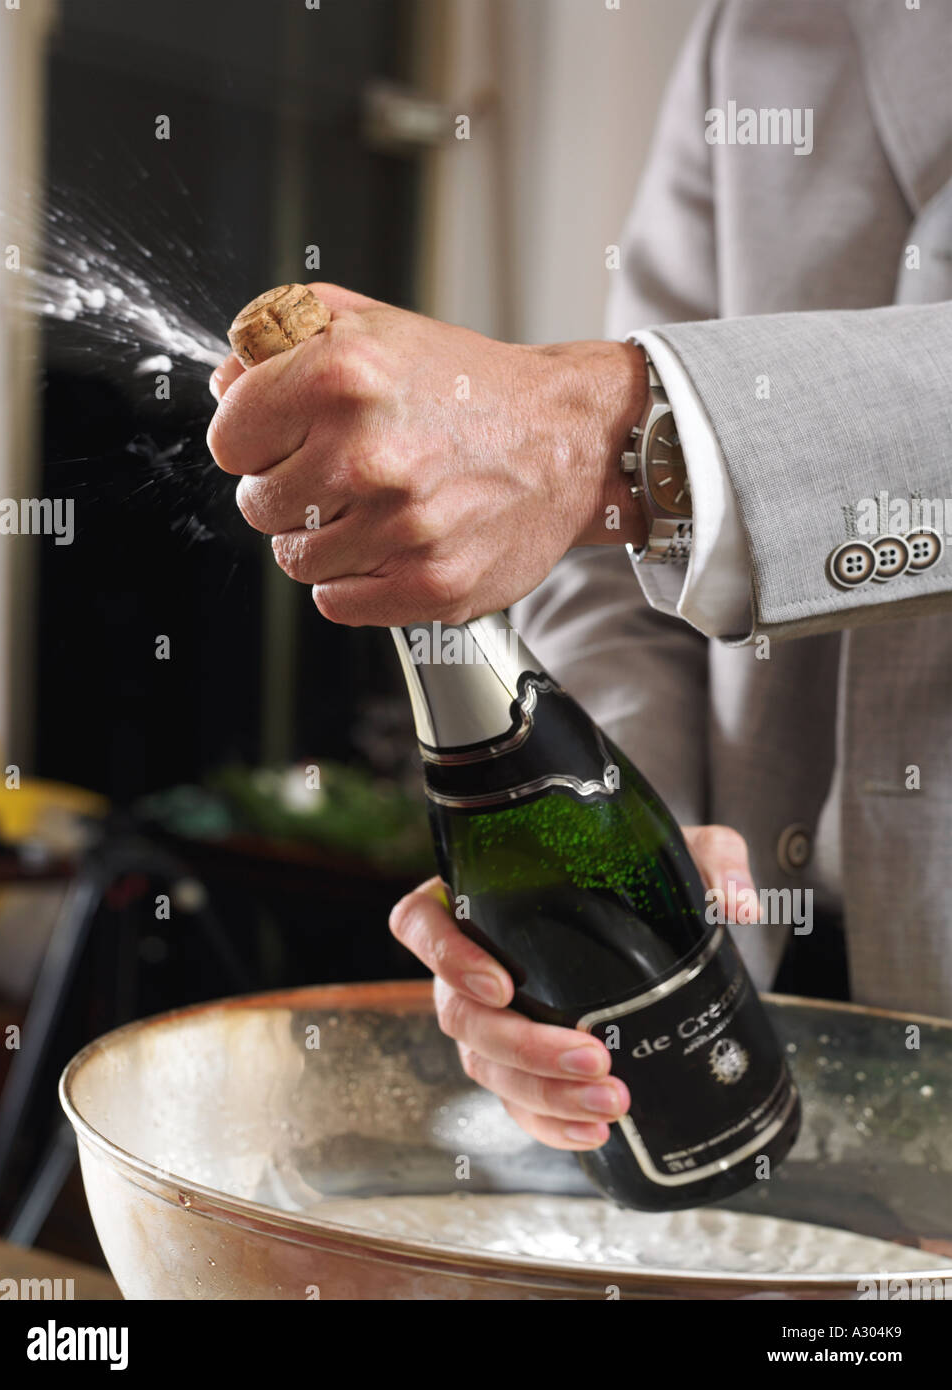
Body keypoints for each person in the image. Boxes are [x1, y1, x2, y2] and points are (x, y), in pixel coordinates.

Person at [207, 0, 952, 1157]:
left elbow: (648, 450)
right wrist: (620, 866)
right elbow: (637, 553)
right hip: (749, 1013)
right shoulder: (749, 35)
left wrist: (598, 430)